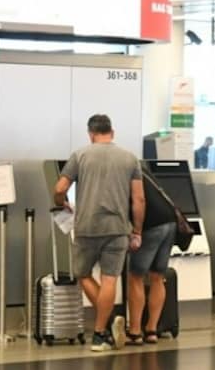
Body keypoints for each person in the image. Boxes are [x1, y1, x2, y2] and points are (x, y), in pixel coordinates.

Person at [53, 114, 144, 352]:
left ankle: (107, 325)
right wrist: (137, 230)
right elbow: (139, 199)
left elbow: (60, 188)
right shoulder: (129, 158)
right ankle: (100, 333)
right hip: (117, 229)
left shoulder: (80, 155)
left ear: (91, 133)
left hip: (86, 227)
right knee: (109, 279)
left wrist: (61, 202)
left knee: (82, 274)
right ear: (111, 132)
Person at [125, 165, 177, 346]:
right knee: (157, 276)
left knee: (135, 277)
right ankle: (152, 330)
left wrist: (137, 231)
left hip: (150, 225)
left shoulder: (121, 172)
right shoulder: (142, 169)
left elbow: (138, 200)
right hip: (170, 221)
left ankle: (135, 332)